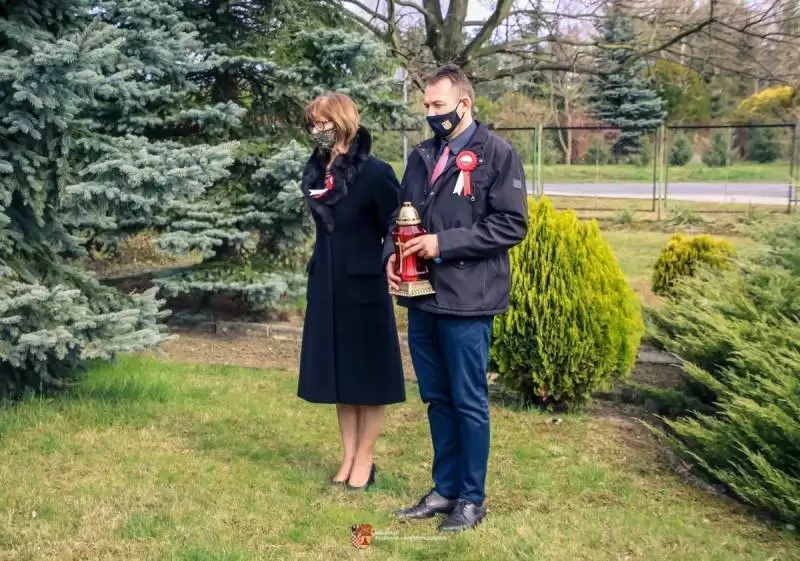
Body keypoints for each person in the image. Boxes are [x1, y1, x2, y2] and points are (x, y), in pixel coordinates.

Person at [384, 65, 528, 531]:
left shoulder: (497, 154)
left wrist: (443, 244)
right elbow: (401, 214)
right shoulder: (422, 155)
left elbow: (511, 225)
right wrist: (391, 255)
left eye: (438, 105)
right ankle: (444, 490)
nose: (430, 112)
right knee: (437, 399)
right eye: (426, 105)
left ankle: (471, 498)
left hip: (468, 300)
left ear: (464, 104)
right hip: (422, 297)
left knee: (468, 401)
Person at [297, 92, 406, 490]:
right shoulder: (316, 173)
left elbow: (395, 223)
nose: (317, 130)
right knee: (341, 377)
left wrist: (392, 260)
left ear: (343, 122)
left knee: (368, 378)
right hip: (326, 283)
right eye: (312, 123)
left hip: (364, 287)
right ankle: (347, 456)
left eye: (323, 122)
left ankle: (366, 458)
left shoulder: (375, 172)